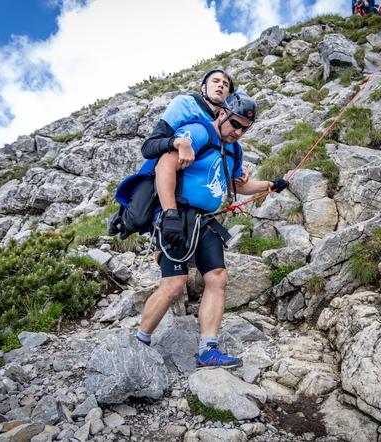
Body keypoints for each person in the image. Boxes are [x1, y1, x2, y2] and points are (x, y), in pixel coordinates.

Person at [135, 92, 289, 369]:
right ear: (222, 114)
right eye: (235, 123)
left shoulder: (234, 150)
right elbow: (165, 165)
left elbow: (237, 186)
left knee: (218, 278)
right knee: (174, 284)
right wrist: (169, 213)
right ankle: (138, 343)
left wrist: (271, 185)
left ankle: (208, 351)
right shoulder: (198, 131)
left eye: (244, 128)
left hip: (205, 220)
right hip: (177, 215)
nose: (238, 131)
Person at [109, 68, 240, 237]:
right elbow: (148, 147)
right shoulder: (184, 104)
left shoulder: (225, 122)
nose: (221, 85)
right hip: (163, 169)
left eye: (226, 84)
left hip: (193, 177)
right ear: (203, 88)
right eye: (215, 81)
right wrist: (177, 142)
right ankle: (122, 220)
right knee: (139, 219)